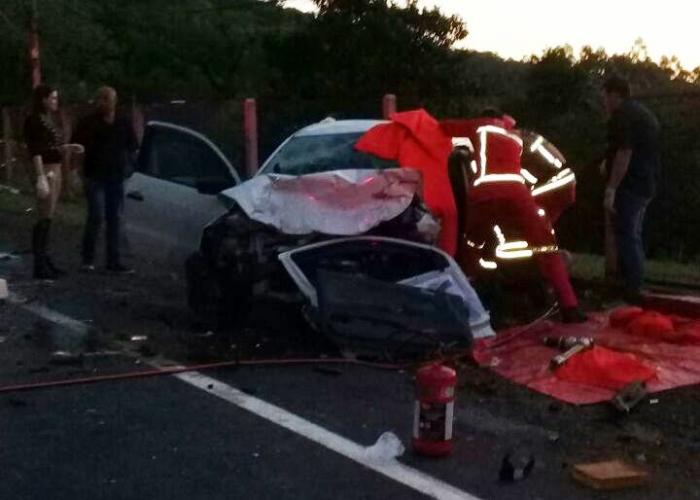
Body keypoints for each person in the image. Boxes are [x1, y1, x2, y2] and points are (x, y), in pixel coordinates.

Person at [444, 110, 586, 323]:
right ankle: (570, 307)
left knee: (471, 245)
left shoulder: (478, 127)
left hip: (483, 193)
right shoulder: (516, 137)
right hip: (516, 192)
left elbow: (443, 129)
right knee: (546, 247)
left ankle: (461, 296)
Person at [601, 75, 661, 303]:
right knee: (631, 232)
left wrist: (612, 188)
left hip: (631, 185)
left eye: (605, 97)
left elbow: (625, 152)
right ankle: (629, 284)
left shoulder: (623, 116)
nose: (604, 102)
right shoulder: (643, 114)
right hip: (647, 181)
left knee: (627, 234)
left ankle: (631, 289)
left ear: (614, 94)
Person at [73, 86, 138, 274]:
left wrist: (131, 168)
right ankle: (87, 259)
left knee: (114, 219)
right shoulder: (88, 123)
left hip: (116, 176)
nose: (102, 103)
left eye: (106, 99)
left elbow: (132, 147)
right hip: (94, 176)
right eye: (100, 99)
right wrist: (75, 172)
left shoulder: (123, 122)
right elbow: (76, 147)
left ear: (114, 101)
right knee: (95, 216)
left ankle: (113, 260)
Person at [23, 85, 72, 279]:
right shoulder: (33, 121)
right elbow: (35, 149)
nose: (55, 102)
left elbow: (52, 144)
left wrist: (67, 147)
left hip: (56, 165)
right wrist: (40, 176)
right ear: (43, 99)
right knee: (43, 215)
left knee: (49, 215)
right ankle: (39, 263)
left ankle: (45, 258)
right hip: (46, 168)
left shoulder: (49, 119)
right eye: (52, 98)